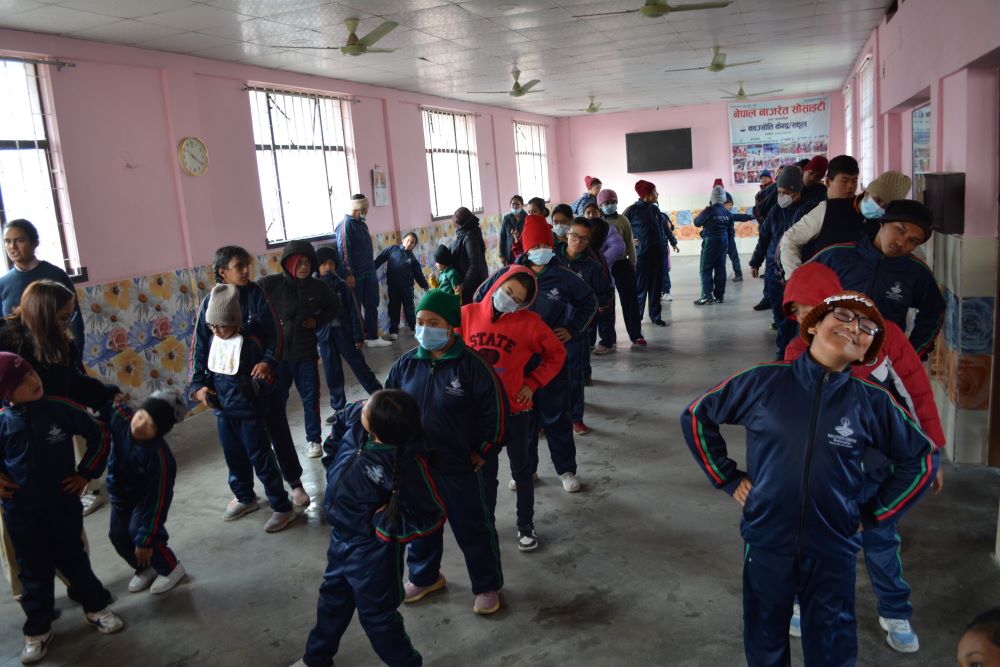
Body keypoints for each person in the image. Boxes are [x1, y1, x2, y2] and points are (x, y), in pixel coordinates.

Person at [680, 292, 938, 667]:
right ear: (813, 325)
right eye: (845, 316)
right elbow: (696, 415)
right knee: (765, 636)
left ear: (867, 353)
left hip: (834, 547)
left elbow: (922, 457)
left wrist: (876, 514)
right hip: (767, 539)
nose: (854, 328)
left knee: (831, 644)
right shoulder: (763, 382)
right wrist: (727, 477)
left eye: (867, 329)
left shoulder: (872, 402)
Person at [781, 263, 945, 653]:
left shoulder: (883, 339)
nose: (808, 320)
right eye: (799, 313)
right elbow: (790, 420)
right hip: (826, 474)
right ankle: (803, 602)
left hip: (878, 469)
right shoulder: (795, 352)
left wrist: (931, 450)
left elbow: (917, 395)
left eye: (815, 309)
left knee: (880, 538)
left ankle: (895, 611)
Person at [293, 391, 445, 667]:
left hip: (373, 553)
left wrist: (384, 526)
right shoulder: (359, 428)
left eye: (368, 407)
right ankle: (316, 658)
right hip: (340, 539)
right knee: (331, 600)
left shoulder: (405, 465)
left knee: (377, 617)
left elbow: (430, 516)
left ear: (377, 426)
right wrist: (332, 459)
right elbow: (341, 423)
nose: (362, 406)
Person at [385, 289, 508, 615]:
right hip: (417, 467)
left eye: (433, 322)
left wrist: (484, 449)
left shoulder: (473, 367)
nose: (424, 329)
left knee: (473, 527)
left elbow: (495, 413)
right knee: (422, 526)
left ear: (451, 325)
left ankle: (487, 585)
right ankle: (426, 577)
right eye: (420, 322)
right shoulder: (406, 365)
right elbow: (388, 408)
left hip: (462, 467)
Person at [0, 353, 125, 664]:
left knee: (74, 560)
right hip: (21, 513)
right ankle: (39, 629)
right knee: (32, 572)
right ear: (5, 394)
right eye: (20, 381)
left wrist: (85, 473)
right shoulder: (2, 422)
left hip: (62, 505)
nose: (33, 380)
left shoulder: (59, 409)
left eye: (30, 372)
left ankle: (95, 608)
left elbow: (100, 434)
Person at [0, 279, 121, 600]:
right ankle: (33, 602)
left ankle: (81, 587)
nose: (68, 324)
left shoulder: (60, 343)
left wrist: (110, 397)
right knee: (20, 537)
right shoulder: (4, 341)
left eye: (70, 317)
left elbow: (74, 384)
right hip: (13, 457)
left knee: (66, 523)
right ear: (42, 314)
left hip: (53, 445)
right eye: (62, 317)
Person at [475, 215, 595, 494]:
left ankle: (566, 470)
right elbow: (480, 299)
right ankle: (526, 470)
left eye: (545, 242)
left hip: (551, 359)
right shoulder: (507, 275)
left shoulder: (564, 276)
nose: (541, 248)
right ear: (526, 247)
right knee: (523, 420)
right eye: (536, 243)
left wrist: (573, 329)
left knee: (556, 418)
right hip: (515, 361)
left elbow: (589, 301)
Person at [190, 246, 310, 507]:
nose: (246, 271)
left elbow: (275, 335)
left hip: (262, 387)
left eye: (247, 266)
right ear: (222, 272)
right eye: (238, 267)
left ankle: (295, 483)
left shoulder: (257, 295)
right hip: (227, 392)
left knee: (278, 433)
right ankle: (245, 494)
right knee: (235, 446)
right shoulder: (210, 303)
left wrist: (268, 362)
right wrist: (199, 385)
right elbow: (200, 346)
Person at [462, 268, 565, 551]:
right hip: (481, 415)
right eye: (508, 292)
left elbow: (556, 354)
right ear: (497, 284)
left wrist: (533, 383)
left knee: (522, 472)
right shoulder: (467, 315)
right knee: (485, 474)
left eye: (517, 300)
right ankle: (487, 523)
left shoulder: (530, 323)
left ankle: (525, 525)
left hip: (516, 412)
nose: (509, 300)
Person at [190, 284, 297, 533]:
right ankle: (245, 497)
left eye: (222, 326)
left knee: (261, 460)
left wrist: (256, 388)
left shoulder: (250, 344)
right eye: (212, 327)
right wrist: (203, 389)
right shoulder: (215, 341)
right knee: (233, 457)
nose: (216, 331)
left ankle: (282, 506)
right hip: (224, 413)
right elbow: (208, 371)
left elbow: (265, 379)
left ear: (236, 323)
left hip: (249, 414)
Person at [809, 199, 944, 358]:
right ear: (883, 223)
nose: (901, 242)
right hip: (827, 354)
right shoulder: (837, 255)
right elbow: (800, 288)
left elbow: (934, 312)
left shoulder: (917, 272)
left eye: (913, 241)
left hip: (880, 362)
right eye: (900, 230)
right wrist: (810, 333)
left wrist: (911, 353)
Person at [259, 242, 340, 459]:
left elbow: (335, 306)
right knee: (276, 399)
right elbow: (249, 296)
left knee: (310, 397)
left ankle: (314, 440)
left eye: (307, 263)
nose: (304, 267)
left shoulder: (318, 287)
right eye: (299, 262)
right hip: (278, 356)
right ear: (289, 263)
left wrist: (318, 320)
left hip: (305, 354)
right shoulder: (272, 284)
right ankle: (275, 440)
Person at [107, 389, 187, 596]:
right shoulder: (121, 418)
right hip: (120, 492)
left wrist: (146, 539)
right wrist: (110, 395)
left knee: (142, 533)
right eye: (141, 417)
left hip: (146, 499)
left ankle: (171, 568)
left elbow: (158, 501)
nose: (141, 425)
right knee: (117, 534)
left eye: (150, 425)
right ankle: (144, 567)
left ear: (159, 432)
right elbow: (110, 403)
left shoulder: (159, 458)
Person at [780, 164, 912, 274]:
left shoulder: (886, 225)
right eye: (876, 199)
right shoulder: (830, 209)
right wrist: (795, 277)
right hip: (823, 288)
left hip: (862, 294)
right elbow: (790, 239)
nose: (879, 207)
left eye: (886, 206)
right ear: (866, 192)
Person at [747, 166, 814, 356]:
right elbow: (765, 237)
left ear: (797, 191)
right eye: (779, 192)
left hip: (796, 274)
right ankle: (784, 352)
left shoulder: (809, 211)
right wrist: (755, 261)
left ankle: (799, 353)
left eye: (786, 193)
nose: (781, 196)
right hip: (773, 272)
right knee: (780, 315)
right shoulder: (776, 210)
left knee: (799, 317)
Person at [0, 219, 84, 360]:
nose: (12, 247)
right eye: (7, 241)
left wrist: (76, 356)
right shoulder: (3, 283)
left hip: (56, 356)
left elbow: (74, 320)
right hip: (20, 361)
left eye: (19, 240)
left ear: (34, 243)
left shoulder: (55, 275)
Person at [315, 247, 382, 420]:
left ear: (336, 266)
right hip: (325, 337)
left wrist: (358, 335)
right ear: (318, 267)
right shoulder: (313, 288)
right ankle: (339, 409)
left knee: (359, 366)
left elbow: (354, 311)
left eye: (331, 263)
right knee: (332, 372)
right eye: (323, 264)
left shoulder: (342, 285)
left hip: (344, 334)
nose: (328, 267)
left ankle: (381, 396)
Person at [559, 217, 612, 435]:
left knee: (574, 375)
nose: (578, 242)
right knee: (547, 375)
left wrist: (591, 314)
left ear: (589, 241)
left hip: (576, 330)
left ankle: (575, 418)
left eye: (584, 238)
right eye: (574, 236)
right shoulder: (551, 258)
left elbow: (605, 294)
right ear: (567, 234)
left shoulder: (592, 266)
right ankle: (547, 419)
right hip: (548, 328)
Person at [335, 194, 388, 348]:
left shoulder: (362, 224)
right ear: (360, 208)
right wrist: (348, 273)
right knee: (355, 307)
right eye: (366, 208)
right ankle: (358, 338)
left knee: (372, 304)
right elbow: (344, 250)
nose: (367, 211)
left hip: (369, 272)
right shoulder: (345, 225)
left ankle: (372, 337)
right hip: (355, 275)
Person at [597, 189, 645, 346]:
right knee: (607, 304)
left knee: (630, 300)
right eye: (606, 203)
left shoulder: (623, 220)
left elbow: (629, 241)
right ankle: (609, 337)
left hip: (622, 264)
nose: (610, 205)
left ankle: (636, 334)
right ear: (600, 205)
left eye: (612, 202)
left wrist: (633, 260)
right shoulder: (597, 223)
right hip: (603, 266)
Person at [583, 201, 627, 353]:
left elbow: (619, 246)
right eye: (588, 213)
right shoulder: (580, 232)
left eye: (594, 212)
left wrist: (600, 262)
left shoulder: (608, 229)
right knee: (588, 314)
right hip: (586, 285)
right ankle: (588, 342)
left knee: (605, 314)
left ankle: (607, 342)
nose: (591, 215)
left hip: (604, 282)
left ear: (600, 213)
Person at [624, 180, 666, 326]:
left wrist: (664, 244)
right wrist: (629, 242)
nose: (657, 194)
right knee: (640, 288)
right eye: (655, 191)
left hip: (658, 255)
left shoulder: (655, 210)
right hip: (641, 256)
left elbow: (662, 229)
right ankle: (638, 317)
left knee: (656, 287)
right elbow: (620, 229)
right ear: (647, 195)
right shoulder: (631, 210)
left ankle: (656, 316)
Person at [374, 233, 429, 341]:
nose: (409, 244)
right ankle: (394, 331)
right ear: (403, 240)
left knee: (409, 308)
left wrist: (425, 286)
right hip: (393, 287)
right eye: (408, 240)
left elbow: (418, 274)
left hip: (407, 287)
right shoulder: (392, 249)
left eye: (412, 243)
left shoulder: (412, 258)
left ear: (414, 246)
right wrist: (370, 269)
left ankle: (415, 329)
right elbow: (379, 260)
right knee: (393, 308)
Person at [693, 185, 730, 305]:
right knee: (721, 268)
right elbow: (730, 228)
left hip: (710, 242)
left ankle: (707, 296)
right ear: (724, 199)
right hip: (724, 240)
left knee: (705, 269)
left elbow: (697, 223)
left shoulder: (708, 210)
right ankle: (719, 296)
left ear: (712, 198)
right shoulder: (727, 212)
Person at [450, 207, 489, 306]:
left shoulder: (470, 237)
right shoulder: (467, 233)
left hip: (473, 285)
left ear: (459, 223)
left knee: (472, 313)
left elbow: (474, 265)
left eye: (455, 222)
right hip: (471, 282)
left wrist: (463, 285)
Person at [724, 192, 753, 282]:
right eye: (730, 205)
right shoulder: (719, 214)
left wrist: (751, 216)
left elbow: (740, 217)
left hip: (730, 240)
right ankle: (720, 276)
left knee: (734, 258)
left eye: (732, 205)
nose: (731, 207)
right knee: (719, 260)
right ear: (723, 204)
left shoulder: (729, 215)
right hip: (720, 242)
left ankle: (738, 275)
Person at [499, 195, 527, 265]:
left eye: (517, 204)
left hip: (522, 250)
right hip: (509, 253)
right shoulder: (506, 218)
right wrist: (501, 255)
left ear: (522, 205)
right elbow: (502, 237)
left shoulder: (527, 217)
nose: (515, 206)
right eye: (513, 204)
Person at [659, 205, 680, 298]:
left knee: (664, 270)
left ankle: (666, 291)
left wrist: (674, 243)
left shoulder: (663, 216)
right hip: (647, 250)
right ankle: (657, 292)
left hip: (662, 247)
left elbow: (670, 230)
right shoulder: (640, 214)